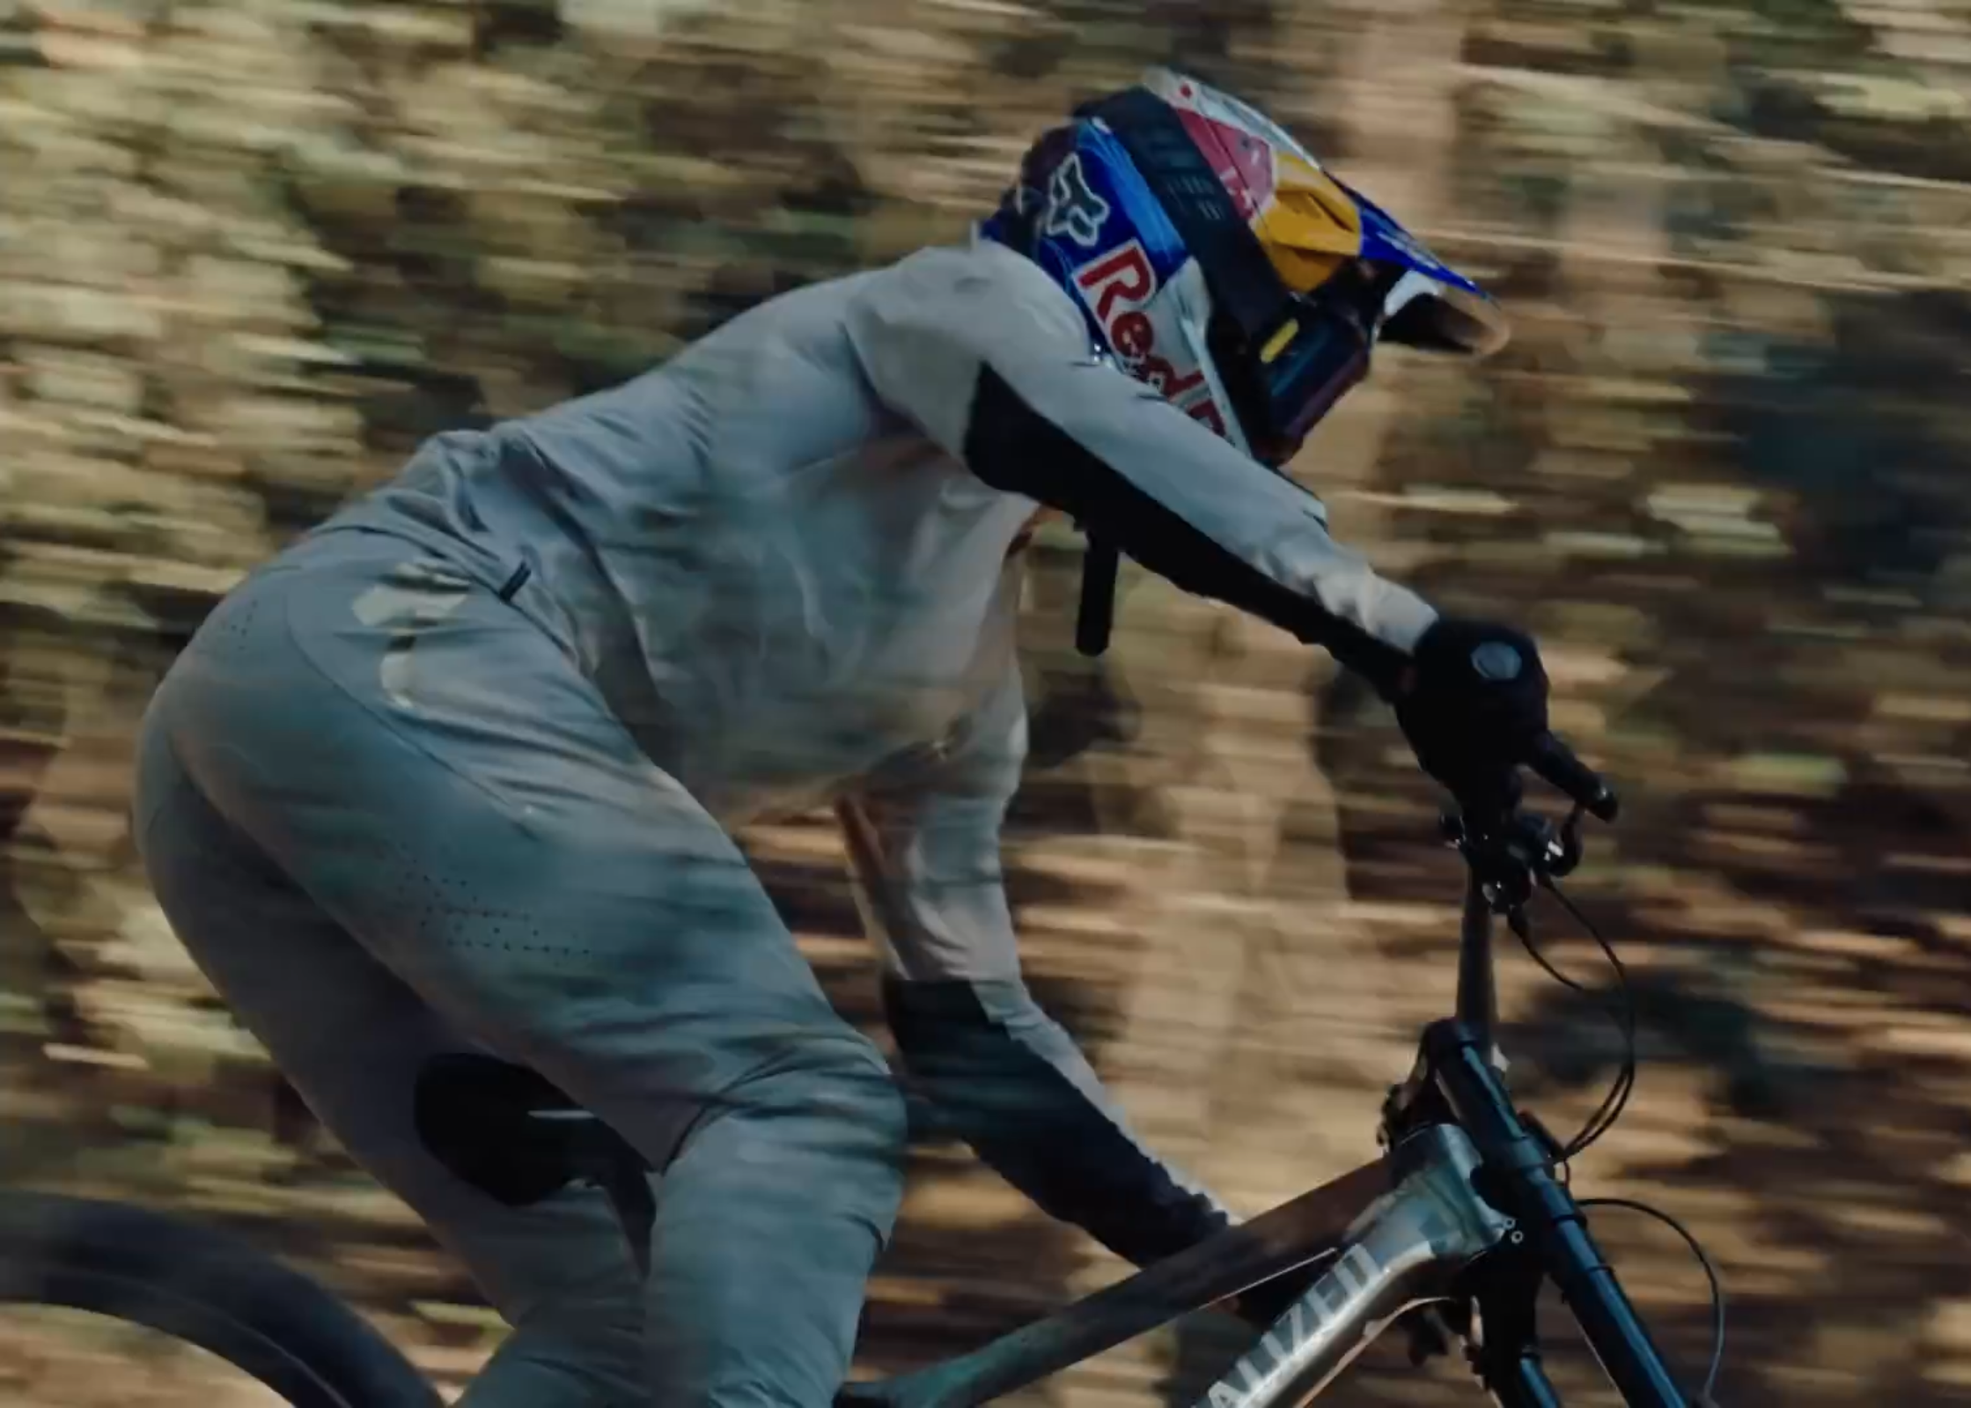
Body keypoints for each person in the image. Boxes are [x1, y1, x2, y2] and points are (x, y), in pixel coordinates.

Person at [131, 69, 1556, 1408]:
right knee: (801, 1111)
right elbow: (1068, 429)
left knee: (636, 1327)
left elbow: (975, 1041)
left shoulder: (958, 674)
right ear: (1159, 267)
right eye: (1311, 344)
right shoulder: (953, 313)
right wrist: (1410, 641)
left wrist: (1257, 1267)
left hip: (272, 765)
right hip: (390, 647)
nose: (1312, 400)